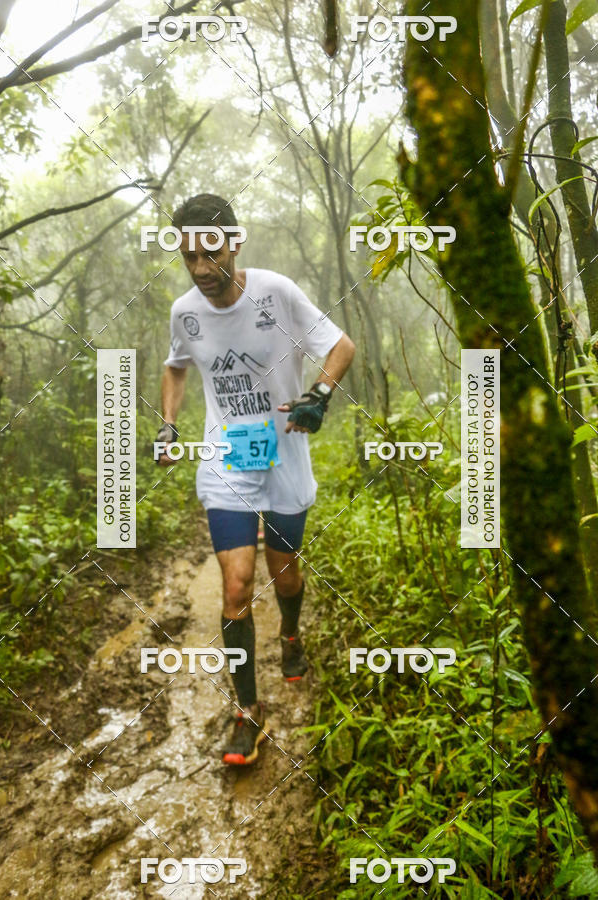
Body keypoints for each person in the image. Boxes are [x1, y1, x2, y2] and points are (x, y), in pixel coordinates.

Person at [156, 193, 355, 765]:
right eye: (188, 256)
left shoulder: (277, 292)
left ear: (234, 243)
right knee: (238, 586)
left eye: (210, 253)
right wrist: (169, 425)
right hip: (227, 461)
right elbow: (175, 367)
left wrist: (319, 394)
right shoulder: (184, 313)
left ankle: (290, 634)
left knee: (284, 574)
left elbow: (340, 346)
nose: (200, 268)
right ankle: (247, 710)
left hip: (286, 457)